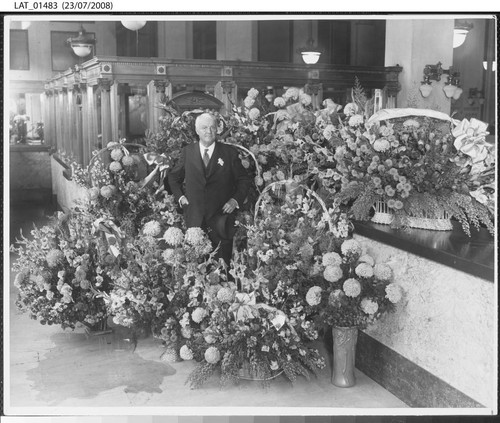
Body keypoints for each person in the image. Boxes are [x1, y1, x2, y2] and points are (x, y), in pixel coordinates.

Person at [167, 112, 251, 266]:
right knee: (196, 267)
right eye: (204, 128)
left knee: (222, 268)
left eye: (212, 127)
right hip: (195, 218)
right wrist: (180, 197)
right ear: (197, 130)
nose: (209, 131)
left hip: (222, 219)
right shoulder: (188, 152)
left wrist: (235, 200)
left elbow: (244, 179)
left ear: (217, 130)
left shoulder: (229, 153)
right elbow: (173, 178)